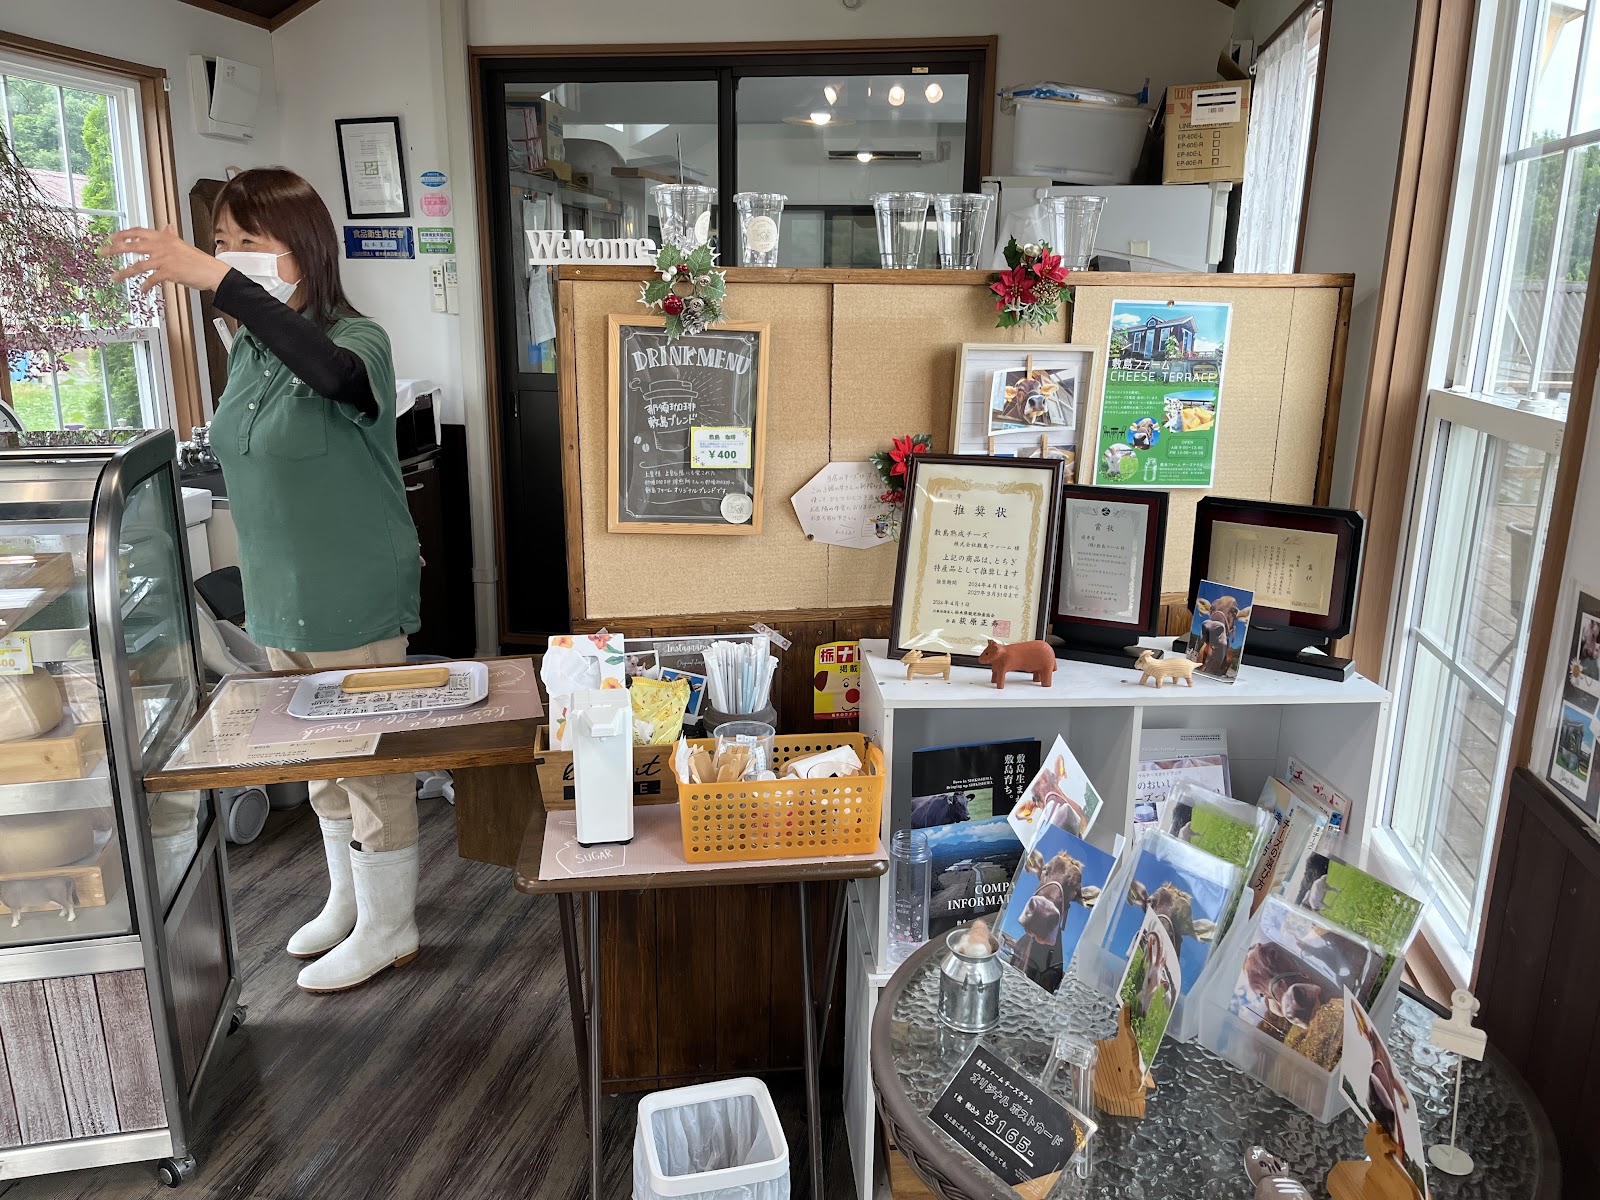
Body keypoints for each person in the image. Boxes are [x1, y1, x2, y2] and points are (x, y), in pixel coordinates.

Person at [104, 168, 423, 994]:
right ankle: (347, 904)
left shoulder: (359, 340)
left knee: (369, 763)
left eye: (251, 244)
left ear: (303, 245)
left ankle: (392, 925)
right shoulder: (246, 347)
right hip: (281, 591)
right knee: (318, 759)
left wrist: (222, 281)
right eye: (224, 244)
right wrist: (226, 293)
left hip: (352, 592)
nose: (232, 257)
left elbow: (331, 376)